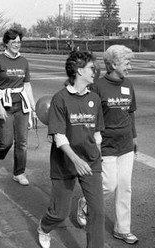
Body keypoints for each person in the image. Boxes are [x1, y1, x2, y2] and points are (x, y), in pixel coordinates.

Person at [37, 51, 105, 248]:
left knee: (98, 211)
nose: (96, 71)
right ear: (79, 70)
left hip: (90, 162)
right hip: (65, 162)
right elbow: (59, 136)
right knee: (60, 213)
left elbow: (98, 133)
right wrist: (76, 160)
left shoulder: (95, 98)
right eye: (92, 68)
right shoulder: (60, 99)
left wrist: (97, 154)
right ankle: (44, 227)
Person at [77, 45, 139, 245]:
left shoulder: (128, 84)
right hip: (106, 145)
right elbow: (90, 116)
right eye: (127, 62)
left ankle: (122, 229)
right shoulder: (97, 86)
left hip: (126, 144)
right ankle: (85, 202)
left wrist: (134, 137)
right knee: (109, 184)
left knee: (125, 186)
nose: (130, 66)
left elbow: (130, 113)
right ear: (113, 64)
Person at [0, 28, 36, 186]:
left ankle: (19, 173)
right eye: (13, 42)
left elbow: (27, 85)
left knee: (22, 142)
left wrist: (33, 107)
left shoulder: (24, 61)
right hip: (5, 104)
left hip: (21, 105)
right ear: (6, 43)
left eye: (19, 42)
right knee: (6, 141)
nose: (17, 45)